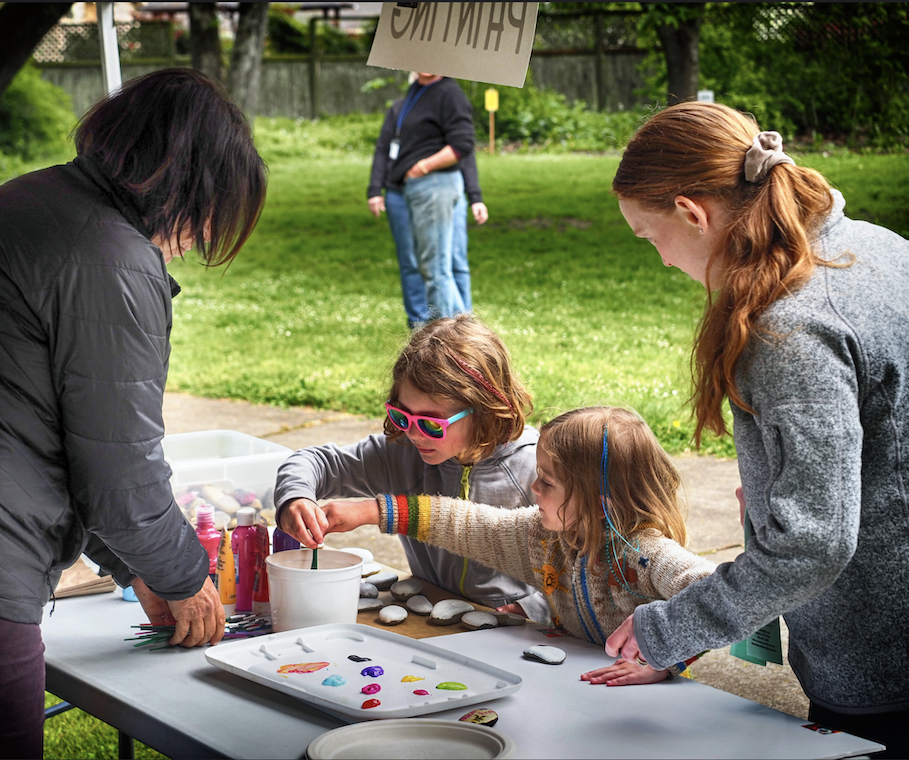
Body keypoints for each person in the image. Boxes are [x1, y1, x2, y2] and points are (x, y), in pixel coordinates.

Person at [0, 69, 267, 759]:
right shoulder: (109, 255)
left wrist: (135, 567)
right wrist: (185, 578)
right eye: (213, 206)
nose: (203, 233)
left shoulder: (38, 201)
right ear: (183, 181)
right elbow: (120, 468)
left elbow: (61, 431)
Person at [606, 101, 909, 755]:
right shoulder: (880, 249)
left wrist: (671, 630)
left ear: (692, 212)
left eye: (648, 236)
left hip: (879, 656)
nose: (659, 259)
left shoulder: (790, 328)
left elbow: (815, 543)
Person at [318, 406, 716, 686]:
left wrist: (661, 657)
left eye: (547, 482)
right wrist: (374, 511)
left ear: (599, 502)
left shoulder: (644, 553)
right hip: (576, 682)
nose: (533, 488)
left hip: (644, 702)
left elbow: (714, 594)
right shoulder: (545, 537)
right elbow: (470, 525)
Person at [275, 314, 550, 623]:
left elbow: (586, 568)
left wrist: (536, 608)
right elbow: (314, 462)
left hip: (514, 630)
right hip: (431, 616)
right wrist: (295, 498)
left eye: (432, 423)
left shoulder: (537, 470)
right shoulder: (403, 452)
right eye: (402, 416)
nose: (414, 434)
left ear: (484, 410)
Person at [368, 77, 489, 327]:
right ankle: (446, 331)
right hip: (411, 189)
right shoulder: (414, 94)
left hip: (433, 186)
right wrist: (376, 188)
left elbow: (463, 145)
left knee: (439, 270)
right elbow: (383, 148)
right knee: (432, 267)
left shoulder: (448, 92)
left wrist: (422, 167)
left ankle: (456, 339)